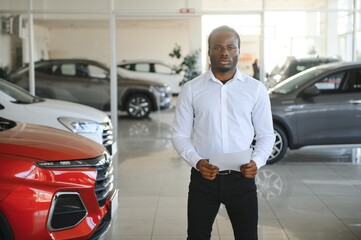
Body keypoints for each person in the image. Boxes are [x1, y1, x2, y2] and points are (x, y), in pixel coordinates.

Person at [171, 25, 275, 240]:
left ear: (238, 50)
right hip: (203, 178)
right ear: (209, 52)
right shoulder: (191, 89)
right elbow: (179, 135)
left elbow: (266, 134)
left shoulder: (255, 89)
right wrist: (197, 162)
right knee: (197, 236)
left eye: (231, 47)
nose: (225, 52)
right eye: (218, 47)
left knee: (247, 236)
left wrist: (257, 161)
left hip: (242, 179)